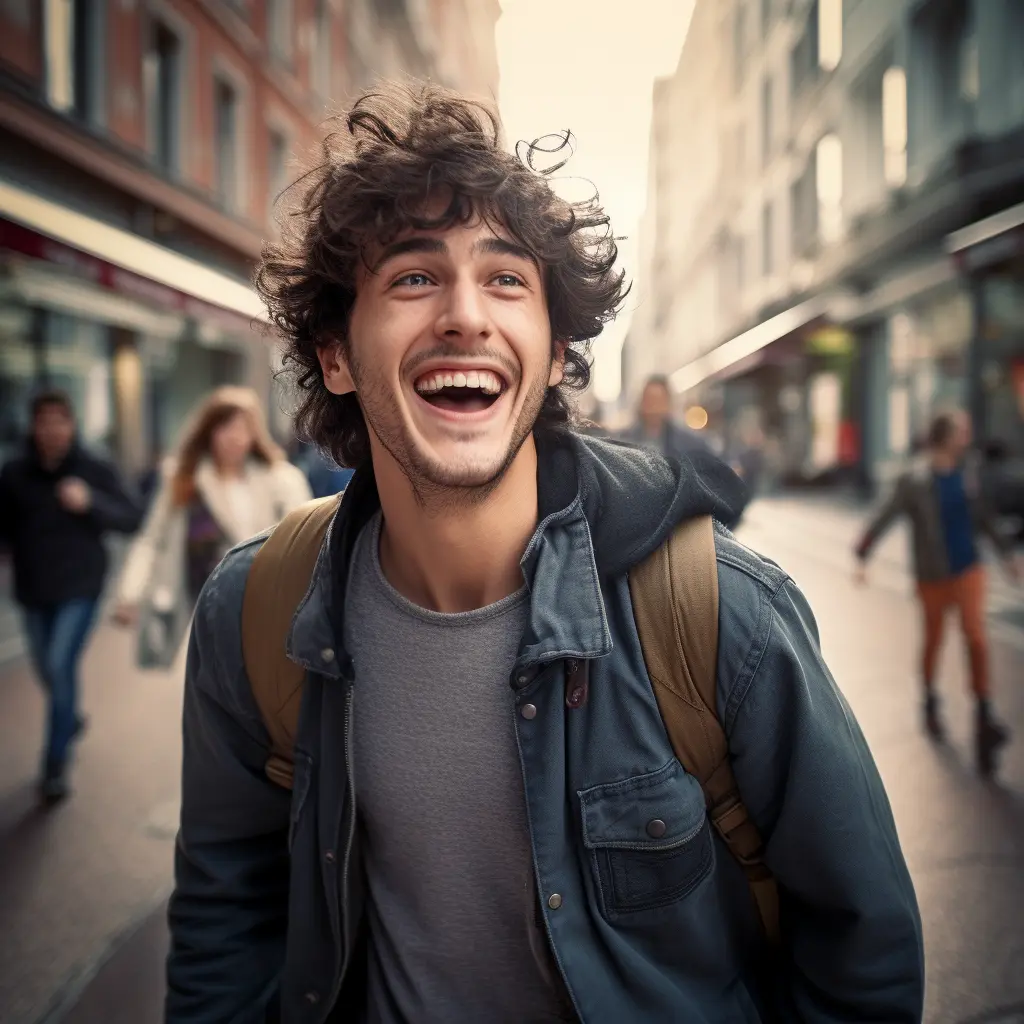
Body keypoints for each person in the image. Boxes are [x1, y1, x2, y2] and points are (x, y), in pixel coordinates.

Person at [166, 84, 924, 1023]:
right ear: (334, 357)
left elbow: (863, 944)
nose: (463, 316)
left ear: (556, 352)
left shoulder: (721, 612)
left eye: (506, 280)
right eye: (411, 277)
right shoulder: (256, 612)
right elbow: (223, 923)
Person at [855, 408, 1021, 774]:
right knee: (933, 640)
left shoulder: (968, 473)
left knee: (976, 637)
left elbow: (984, 517)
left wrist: (1007, 555)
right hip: (932, 577)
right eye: (962, 430)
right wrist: (864, 551)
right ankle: (929, 699)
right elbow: (886, 514)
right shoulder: (914, 479)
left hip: (969, 570)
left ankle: (983, 715)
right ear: (946, 436)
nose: (968, 436)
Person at [0, 390, 142, 802]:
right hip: (32, 591)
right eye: (43, 421)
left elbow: (132, 517)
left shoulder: (93, 467)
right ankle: (70, 718)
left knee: (61, 666)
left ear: (72, 424)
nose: (51, 429)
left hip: (80, 588)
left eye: (59, 420)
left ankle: (54, 765)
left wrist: (90, 502)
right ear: (33, 426)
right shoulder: (14, 473)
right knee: (48, 671)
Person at [113, 386, 311, 665]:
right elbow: (152, 539)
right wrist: (129, 593)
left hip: (259, 604)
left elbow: (302, 539)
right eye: (226, 427)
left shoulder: (276, 480)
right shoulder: (184, 478)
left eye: (244, 428)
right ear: (209, 431)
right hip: (199, 606)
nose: (235, 438)